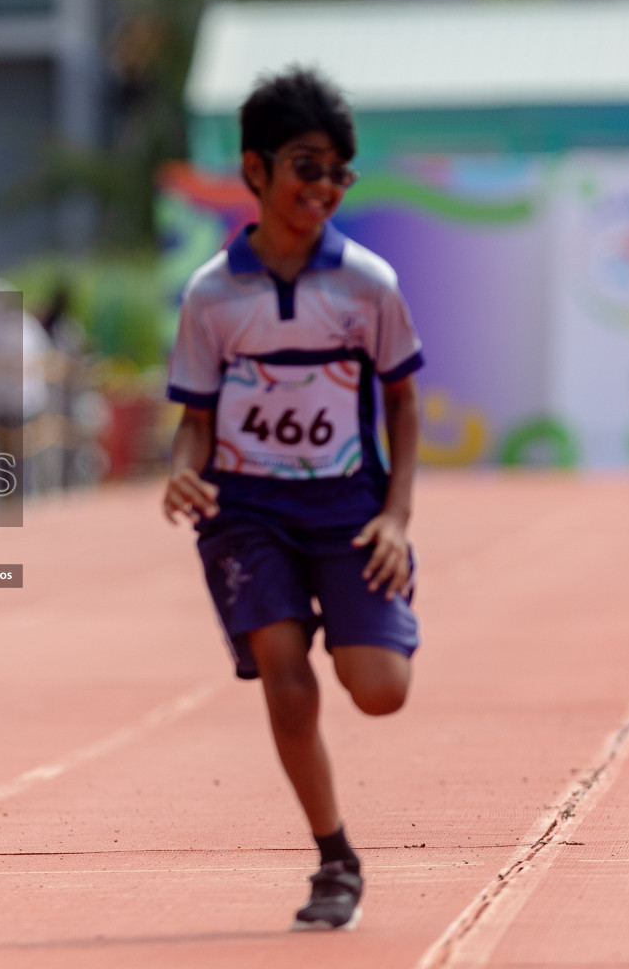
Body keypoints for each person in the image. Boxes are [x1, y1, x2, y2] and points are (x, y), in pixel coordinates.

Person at [162, 67, 423, 930]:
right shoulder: (211, 294)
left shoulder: (369, 286)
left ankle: (363, 607)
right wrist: (182, 468)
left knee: (380, 690)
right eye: (308, 167)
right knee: (283, 671)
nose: (324, 188)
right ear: (256, 168)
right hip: (245, 510)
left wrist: (394, 514)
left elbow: (403, 399)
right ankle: (333, 858)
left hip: (349, 505)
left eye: (340, 173)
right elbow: (194, 418)